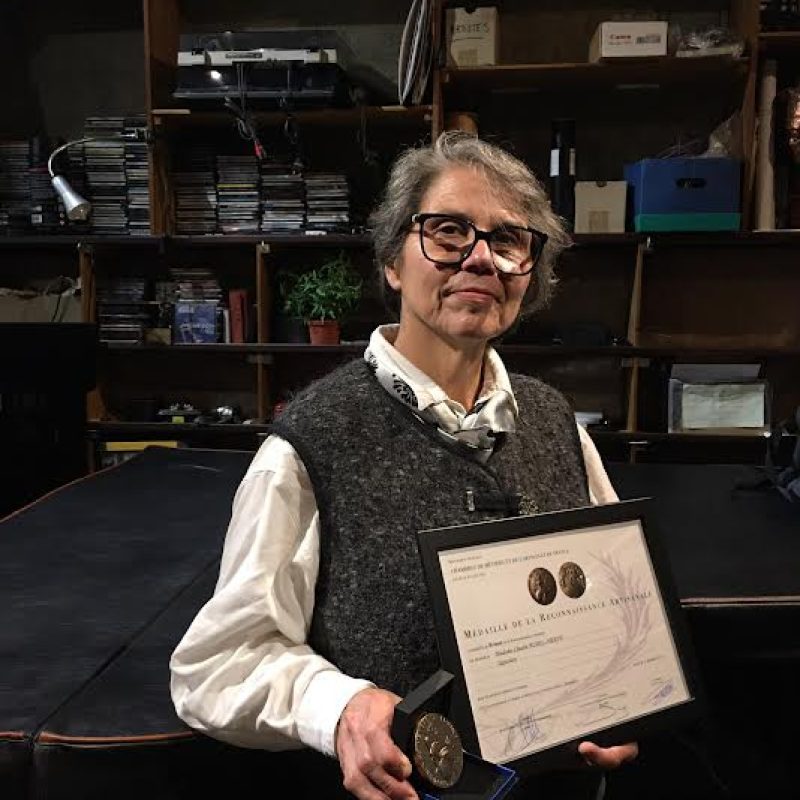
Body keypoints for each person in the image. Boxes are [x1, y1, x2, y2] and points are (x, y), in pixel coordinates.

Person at [170, 131, 637, 799]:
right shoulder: (309, 446)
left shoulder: (557, 423)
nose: (481, 258)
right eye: (448, 232)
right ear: (394, 260)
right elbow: (215, 668)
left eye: (508, 241)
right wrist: (338, 707)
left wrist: (620, 692)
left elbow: (611, 602)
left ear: (530, 274)